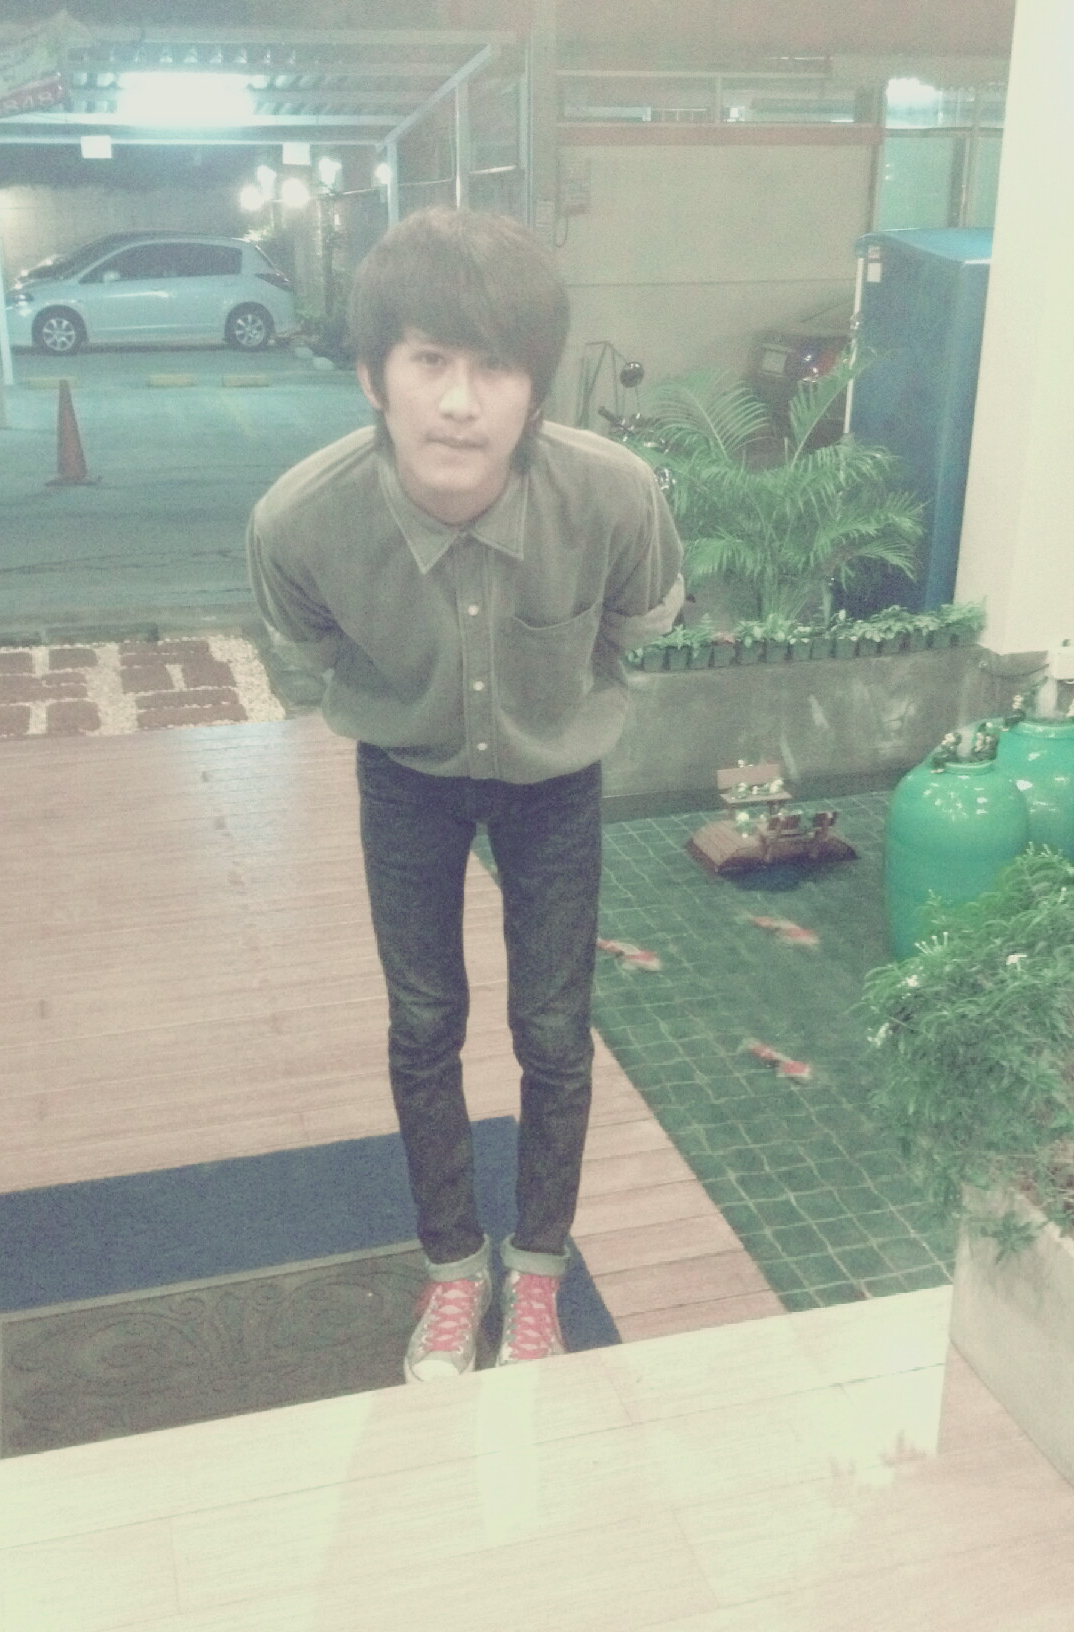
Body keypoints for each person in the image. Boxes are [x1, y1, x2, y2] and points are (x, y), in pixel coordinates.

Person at [248, 206, 683, 1382]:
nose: (458, 401)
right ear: (371, 375)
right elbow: (311, 648)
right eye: (429, 359)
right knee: (423, 1021)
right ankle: (453, 1271)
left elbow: (641, 622)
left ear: (535, 389)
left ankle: (536, 1273)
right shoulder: (301, 520)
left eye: (494, 366)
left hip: (556, 778)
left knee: (554, 1029)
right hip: (406, 776)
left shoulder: (612, 496)